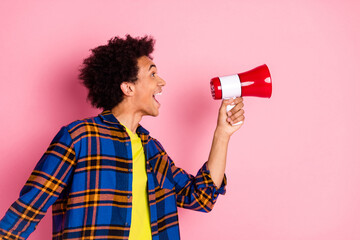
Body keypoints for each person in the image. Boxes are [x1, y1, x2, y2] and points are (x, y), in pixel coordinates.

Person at [0, 35, 245, 240]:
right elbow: (30, 207)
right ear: (127, 88)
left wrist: (222, 133)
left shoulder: (152, 149)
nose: (162, 82)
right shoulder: (79, 138)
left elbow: (201, 197)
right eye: (152, 74)